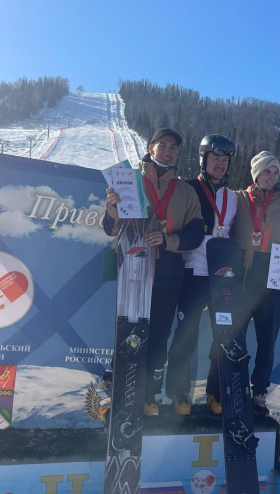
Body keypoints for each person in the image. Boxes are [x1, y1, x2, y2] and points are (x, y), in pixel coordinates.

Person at [103, 128, 204, 417]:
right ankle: (121, 392)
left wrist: (168, 240)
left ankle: (149, 395)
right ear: (151, 147)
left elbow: (196, 234)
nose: (168, 151)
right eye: (163, 145)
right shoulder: (129, 181)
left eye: (173, 147)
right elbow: (109, 229)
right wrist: (112, 207)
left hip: (168, 274)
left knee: (158, 336)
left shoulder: (186, 191)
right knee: (128, 332)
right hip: (133, 269)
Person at [207, 150, 280, 418]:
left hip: (271, 284)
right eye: (266, 171)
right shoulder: (238, 199)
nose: (272, 176)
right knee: (229, 338)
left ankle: (259, 393)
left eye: (275, 172)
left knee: (267, 342)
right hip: (239, 282)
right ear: (256, 173)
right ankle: (221, 389)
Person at [166, 134, 237, 415]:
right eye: (215, 158)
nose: (220, 164)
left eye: (225, 159)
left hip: (221, 276)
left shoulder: (233, 197)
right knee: (186, 334)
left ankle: (215, 392)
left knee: (223, 335)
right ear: (203, 159)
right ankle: (178, 392)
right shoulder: (187, 188)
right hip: (192, 271)